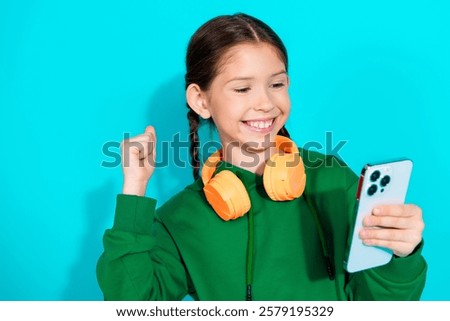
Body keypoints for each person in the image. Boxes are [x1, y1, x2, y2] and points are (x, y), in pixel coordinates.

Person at [96, 13, 427, 300]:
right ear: (201, 100)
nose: (266, 104)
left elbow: (381, 306)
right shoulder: (181, 218)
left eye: (277, 84)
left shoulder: (332, 178)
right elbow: (131, 302)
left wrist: (402, 253)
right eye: (242, 89)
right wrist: (134, 190)